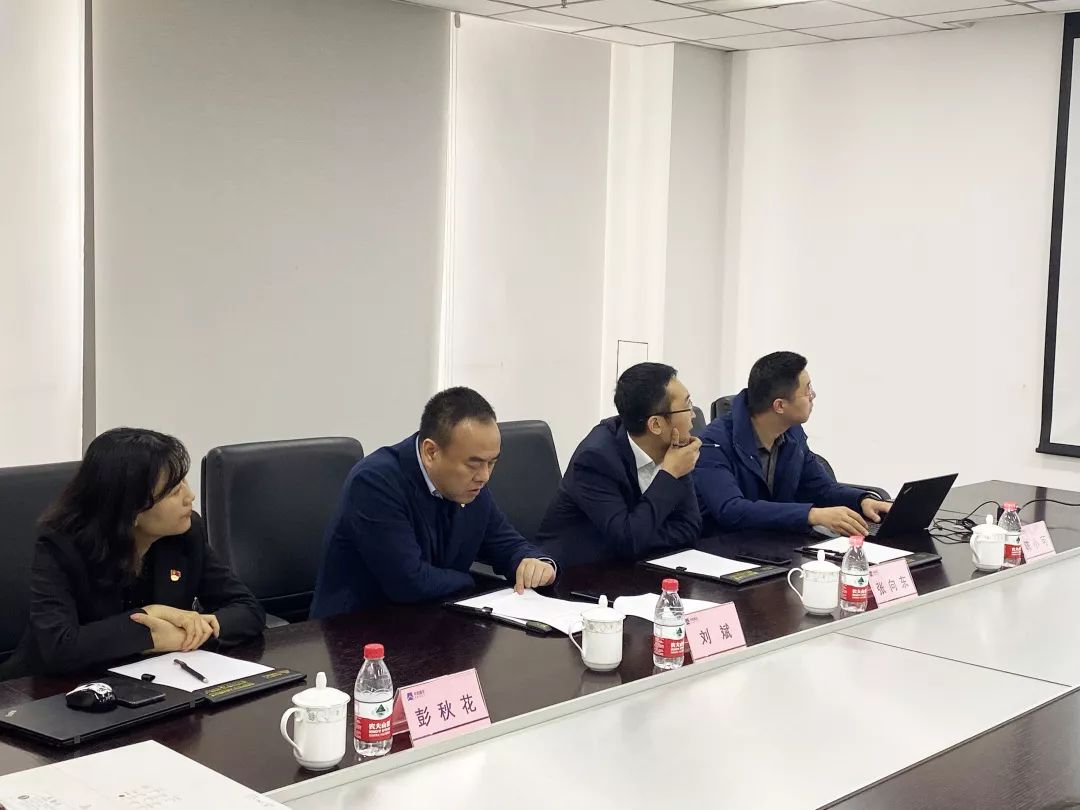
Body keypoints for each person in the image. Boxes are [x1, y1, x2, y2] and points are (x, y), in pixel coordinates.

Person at [0, 428, 265, 680]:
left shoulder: (185, 533)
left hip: (151, 683)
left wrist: (191, 632)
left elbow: (247, 609)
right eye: (174, 491)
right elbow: (60, 648)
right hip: (46, 693)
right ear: (131, 510)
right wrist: (149, 624)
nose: (190, 496)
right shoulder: (61, 546)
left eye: (184, 481)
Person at [309, 387, 557, 618]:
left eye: (491, 462)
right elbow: (408, 582)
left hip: (435, 620)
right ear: (431, 452)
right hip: (361, 629)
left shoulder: (470, 486)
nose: (484, 476)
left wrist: (534, 563)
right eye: (473, 464)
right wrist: (472, 582)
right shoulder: (375, 482)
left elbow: (506, 543)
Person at [695, 351, 891, 535]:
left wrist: (862, 500)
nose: (813, 396)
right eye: (807, 390)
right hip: (725, 545)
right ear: (780, 405)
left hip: (776, 542)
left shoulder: (792, 431)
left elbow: (821, 488)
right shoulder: (713, 442)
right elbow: (731, 510)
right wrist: (811, 515)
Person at [534, 363, 703, 567]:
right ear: (656, 424)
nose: (693, 414)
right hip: (574, 572)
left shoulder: (674, 449)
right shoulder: (595, 460)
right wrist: (669, 474)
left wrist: (638, 538)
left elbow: (689, 528)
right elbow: (629, 539)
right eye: (687, 405)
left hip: (631, 566)